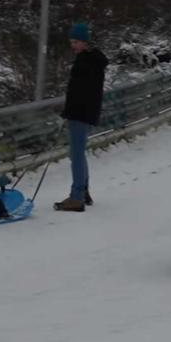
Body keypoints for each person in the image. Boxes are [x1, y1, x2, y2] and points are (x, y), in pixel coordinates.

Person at [55, 23, 108, 212]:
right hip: (87, 112)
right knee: (78, 153)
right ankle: (83, 190)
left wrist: (69, 111)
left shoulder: (85, 62)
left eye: (76, 41)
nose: (73, 45)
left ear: (84, 41)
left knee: (76, 155)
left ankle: (76, 196)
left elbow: (78, 92)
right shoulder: (93, 61)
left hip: (80, 113)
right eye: (71, 41)